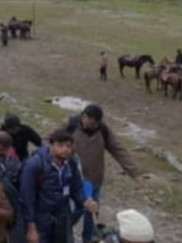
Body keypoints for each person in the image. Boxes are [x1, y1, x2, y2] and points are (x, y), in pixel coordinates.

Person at [56, 104, 142, 243]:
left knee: (92, 213)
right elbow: (50, 140)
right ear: (84, 117)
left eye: (97, 124)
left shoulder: (102, 129)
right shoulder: (70, 125)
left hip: (95, 179)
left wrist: (135, 172)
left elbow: (118, 149)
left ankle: (88, 239)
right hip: (73, 180)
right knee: (77, 210)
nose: (94, 126)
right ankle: (60, 231)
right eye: (91, 123)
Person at [20, 129, 99, 243]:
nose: (65, 149)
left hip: (62, 219)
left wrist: (85, 201)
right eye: (60, 145)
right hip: (40, 221)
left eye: (68, 146)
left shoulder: (70, 164)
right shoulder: (34, 165)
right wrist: (31, 229)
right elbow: (27, 198)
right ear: (51, 145)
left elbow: (76, 188)